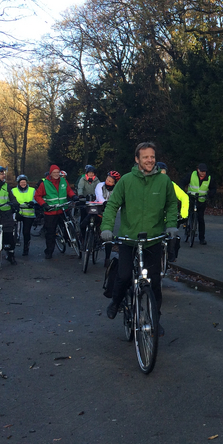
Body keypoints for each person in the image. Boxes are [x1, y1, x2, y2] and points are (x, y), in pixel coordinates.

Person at [102, 142, 179, 336]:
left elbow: (171, 204)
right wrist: (107, 229)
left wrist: (171, 225)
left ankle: (155, 320)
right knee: (124, 276)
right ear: (137, 159)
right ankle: (116, 302)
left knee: (155, 283)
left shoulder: (164, 181)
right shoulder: (126, 181)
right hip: (129, 239)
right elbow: (112, 205)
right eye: (145, 157)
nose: (150, 160)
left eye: (152, 156)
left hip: (153, 239)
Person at [34, 164, 77, 259]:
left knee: (69, 225)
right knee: (50, 233)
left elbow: (69, 191)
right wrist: (44, 205)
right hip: (51, 211)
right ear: (50, 173)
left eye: (58, 172)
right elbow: (37, 196)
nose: (56, 174)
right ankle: (49, 251)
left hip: (63, 208)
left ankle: (69, 239)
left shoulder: (63, 181)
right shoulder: (44, 184)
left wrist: (73, 196)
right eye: (54, 172)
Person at [93, 170, 121, 263]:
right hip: (99, 208)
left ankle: (107, 258)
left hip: (110, 212)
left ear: (114, 183)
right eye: (107, 179)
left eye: (110, 181)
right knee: (87, 221)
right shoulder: (100, 185)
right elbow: (99, 196)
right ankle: (89, 238)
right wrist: (104, 202)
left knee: (108, 235)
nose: (107, 182)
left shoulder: (117, 189)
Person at [186, 163, 212, 245]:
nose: (203, 173)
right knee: (189, 214)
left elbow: (213, 188)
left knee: (201, 219)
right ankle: (187, 227)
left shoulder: (209, 178)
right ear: (198, 170)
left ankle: (202, 238)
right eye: (201, 171)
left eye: (204, 171)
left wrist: (210, 195)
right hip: (192, 198)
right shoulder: (191, 175)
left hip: (201, 200)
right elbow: (183, 182)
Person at [12, 175, 36, 256]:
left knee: (26, 232)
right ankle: (11, 250)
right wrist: (15, 205)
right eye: (21, 182)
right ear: (18, 183)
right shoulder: (13, 190)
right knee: (14, 232)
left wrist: (33, 202)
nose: (23, 184)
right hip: (17, 213)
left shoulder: (32, 190)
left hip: (29, 214)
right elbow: (11, 200)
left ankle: (26, 248)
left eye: (24, 182)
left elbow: (36, 199)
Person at [77, 165, 100, 244]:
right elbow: (80, 188)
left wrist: (98, 196)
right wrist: (80, 195)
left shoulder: (97, 180)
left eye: (92, 173)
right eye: (89, 173)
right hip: (84, 200)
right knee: (83, 219)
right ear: (87, 173)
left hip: (94, 201)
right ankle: (83, 237)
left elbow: (99, 188)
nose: (91, 174)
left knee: (96, 217)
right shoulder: (83, 179)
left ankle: (96, 234)